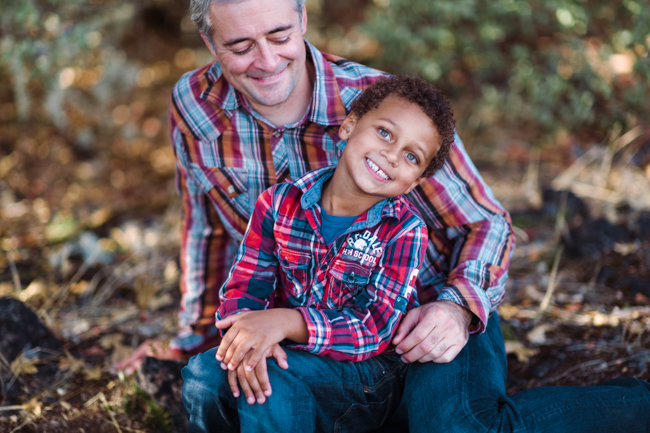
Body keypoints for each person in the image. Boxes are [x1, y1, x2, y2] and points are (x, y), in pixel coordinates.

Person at [117, 0, 650, 431]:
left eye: (280, 36)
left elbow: (487, 223)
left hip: (425, 310)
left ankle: (634, 407)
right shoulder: (195, 107)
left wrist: (457, 308)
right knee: (226, 384)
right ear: (211, 42)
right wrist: (200, 337)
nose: (266, 59)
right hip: (312, 332)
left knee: (458, 426)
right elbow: (208, 229)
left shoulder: (387, 110)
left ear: (303, 19)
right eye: (239, 45)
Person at [182, 75, 457, 431]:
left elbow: (373, 327)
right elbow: (246, 287)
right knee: (205, 373)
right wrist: (247, 341)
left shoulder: (404, 231)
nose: (391, 155)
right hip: (287, 354)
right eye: (385, 133)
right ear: (350, 125)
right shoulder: (278, 204)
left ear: (414, 181)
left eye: (411, 156)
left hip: (364, 378)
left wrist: (287, 323)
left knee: (276, 381)